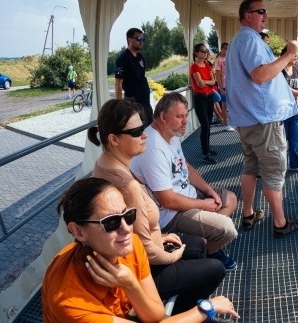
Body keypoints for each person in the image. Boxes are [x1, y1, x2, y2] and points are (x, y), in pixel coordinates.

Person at [90, 98, 227, 314]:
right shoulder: (127, 187)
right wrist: (175, 255)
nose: (144, 134)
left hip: (140, 253)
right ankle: (183, 314)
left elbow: (137, 233)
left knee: (197, 246)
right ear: (113, 139)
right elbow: (148, 252)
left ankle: (188, 306)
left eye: (142, 127)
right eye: (136, 132)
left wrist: (161, 237)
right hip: (140, 270)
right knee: (215, 269)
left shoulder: (105, 165)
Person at [42, 177, 238, 323]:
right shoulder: (70, 301)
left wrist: (130, 285)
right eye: (110, 222)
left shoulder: (131, 245)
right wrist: (206, 309)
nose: (126, 229)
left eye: (128, 215)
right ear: (78, 232)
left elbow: (156, 316)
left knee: (196, 247)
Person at [131, 92, 239, 271]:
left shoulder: (171, 134)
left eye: (186, 116)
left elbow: (185, 167)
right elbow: (168, 200)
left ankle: (206, 244)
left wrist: (209, 190)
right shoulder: (153, 149)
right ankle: (207, 250)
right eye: (180, 116)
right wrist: (203, 204)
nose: (185, 121)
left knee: (230, 199)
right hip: (171, 213)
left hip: (186, 194)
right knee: (227, 229)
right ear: (163, 117)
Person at [225, 0, 298, 236]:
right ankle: (280, 223)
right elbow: (260, 75)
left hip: (247, 118)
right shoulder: (249, 39)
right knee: (274, 172)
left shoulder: (239, 40)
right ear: (248, 15)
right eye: (261, 11)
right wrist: (289, 54)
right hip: (262, 120)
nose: (265, 15)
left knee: (250, 167)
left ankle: (248, 214)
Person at [115, 27, 153, 126]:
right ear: (130, 40)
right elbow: (118, 84)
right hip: (134, 105)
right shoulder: (123, 59)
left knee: (150, 130)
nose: (141, 41)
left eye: (143, 39)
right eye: (139, 39)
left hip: (146, 103)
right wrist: (119, 108)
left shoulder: (140, 57)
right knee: (140, 132)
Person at [190, 43, 219, 164]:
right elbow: (199, 84)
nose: (205, 53)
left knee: (209, 125)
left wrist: (205, 82)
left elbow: (214, 81)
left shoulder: (207, 65)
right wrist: (208, 82)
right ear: (196, 53)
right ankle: (205, 154)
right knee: (205, 126)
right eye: (202, 51)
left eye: (206, 50)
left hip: (209, 97)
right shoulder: (194, 67)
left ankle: (207, 148)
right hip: (200, 98)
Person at [213, 42, 233, 131]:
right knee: (224, 106)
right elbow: (217, 75)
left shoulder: (229, 58)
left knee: (231, 105)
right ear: (221, 49)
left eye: (228, 48)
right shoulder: (219, 60)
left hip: (231, 85)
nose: (227, 50)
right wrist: (221, 89)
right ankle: (226, 124)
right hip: (224, 86)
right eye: (225, 48)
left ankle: (232, 121)